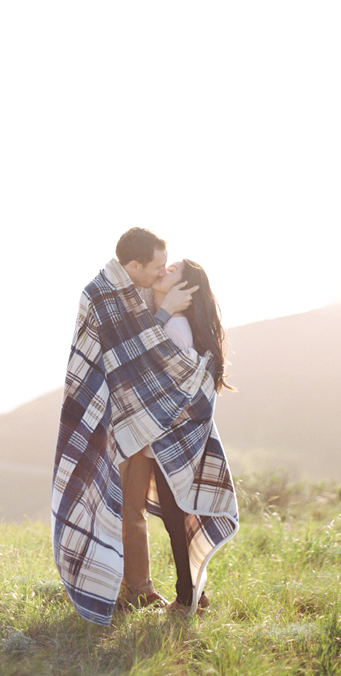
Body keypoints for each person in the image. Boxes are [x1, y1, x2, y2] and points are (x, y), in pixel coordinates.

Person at [51, 227, 236, 625]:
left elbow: (151, 351)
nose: (159, 272)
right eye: (156, 266)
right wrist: (165, 308)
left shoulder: (148, 299)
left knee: (147, 511)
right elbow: (127, 349)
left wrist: (166, 310)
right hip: (113, 415)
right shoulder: (103, 295)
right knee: (120, 506)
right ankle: (136, 588)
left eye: (166, 267)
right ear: (133, 266)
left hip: (146, 427)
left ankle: (148, 590)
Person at [139, 257, 238, 614]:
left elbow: (163, 376)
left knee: (175, 516)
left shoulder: (175, 328)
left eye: (171, 270)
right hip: (172, 435)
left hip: (172, 437)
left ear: (185, 289)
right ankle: (195, 591)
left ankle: (187, 597)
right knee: (173, 516)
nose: (162, 271)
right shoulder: (172, 322)